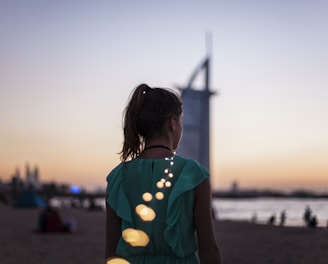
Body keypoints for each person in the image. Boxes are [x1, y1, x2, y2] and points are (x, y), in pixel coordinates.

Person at [105, 84, 221, 264]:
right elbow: (208, 249)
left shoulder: (117, 177)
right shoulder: (194, 174)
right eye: (181, 122)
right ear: (172, 123)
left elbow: (111, 253)